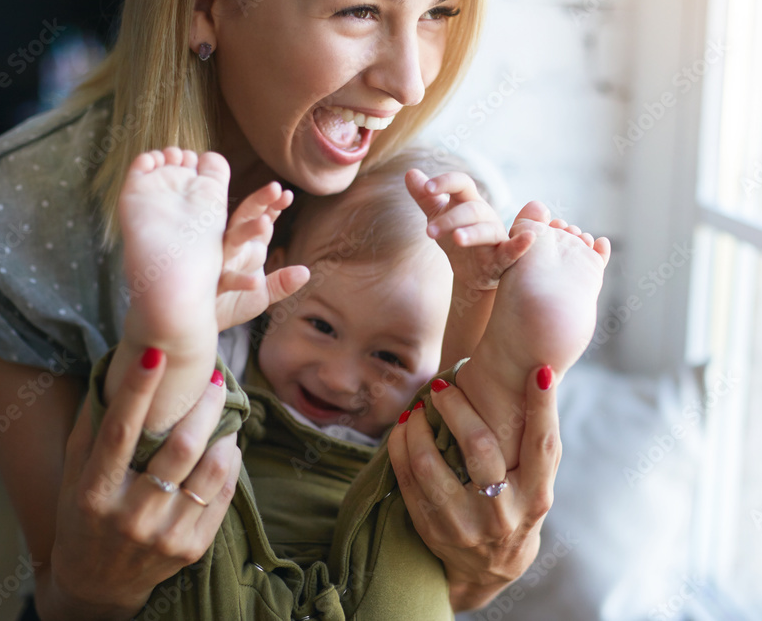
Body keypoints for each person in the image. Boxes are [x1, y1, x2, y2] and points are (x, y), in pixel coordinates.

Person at [0, 0, 577, 617]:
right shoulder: (5, 216)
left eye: (437, 13)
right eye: (360, 10)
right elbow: (67, 592)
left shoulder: (424, 190)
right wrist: (97, 579)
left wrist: (482, 567)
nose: (410, 84)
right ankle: (180, 332)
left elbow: (437, 564)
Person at [84, 145, 608, 619]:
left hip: (383, 549)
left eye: (388, 357)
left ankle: (511, 354)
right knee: (185, 406)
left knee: (454, 441)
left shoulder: (417, 424)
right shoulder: (236, 347)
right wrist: (204, 318)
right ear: (278, 277)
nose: (337, 377)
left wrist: (475, 292)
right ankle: (175, 316)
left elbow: (455, 396)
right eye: (320, 326)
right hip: (214, 542)